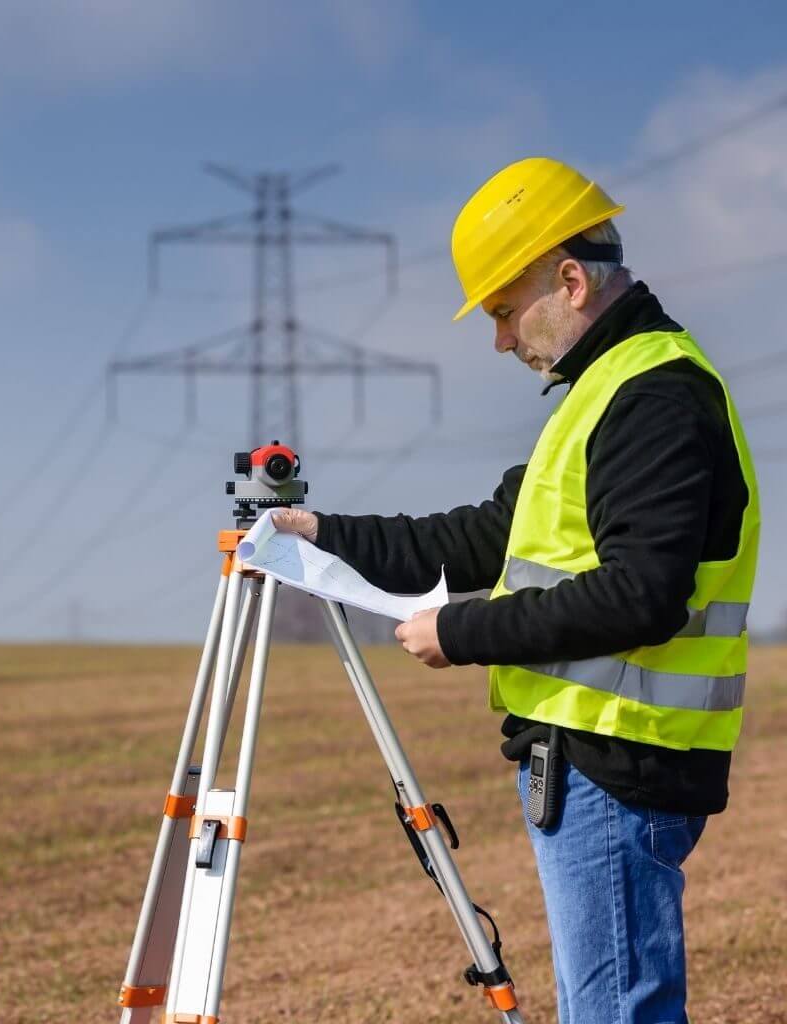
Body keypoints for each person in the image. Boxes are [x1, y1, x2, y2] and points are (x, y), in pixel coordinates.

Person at [273, 157, 758, 1024]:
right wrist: (322, 535)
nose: (499, 339)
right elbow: (473, 539)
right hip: (593, 759)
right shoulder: (599, 395)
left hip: (617, 758)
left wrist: (462, 632)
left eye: (502, 309)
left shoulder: (652, 396)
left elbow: (641, 596)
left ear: (569, 280)